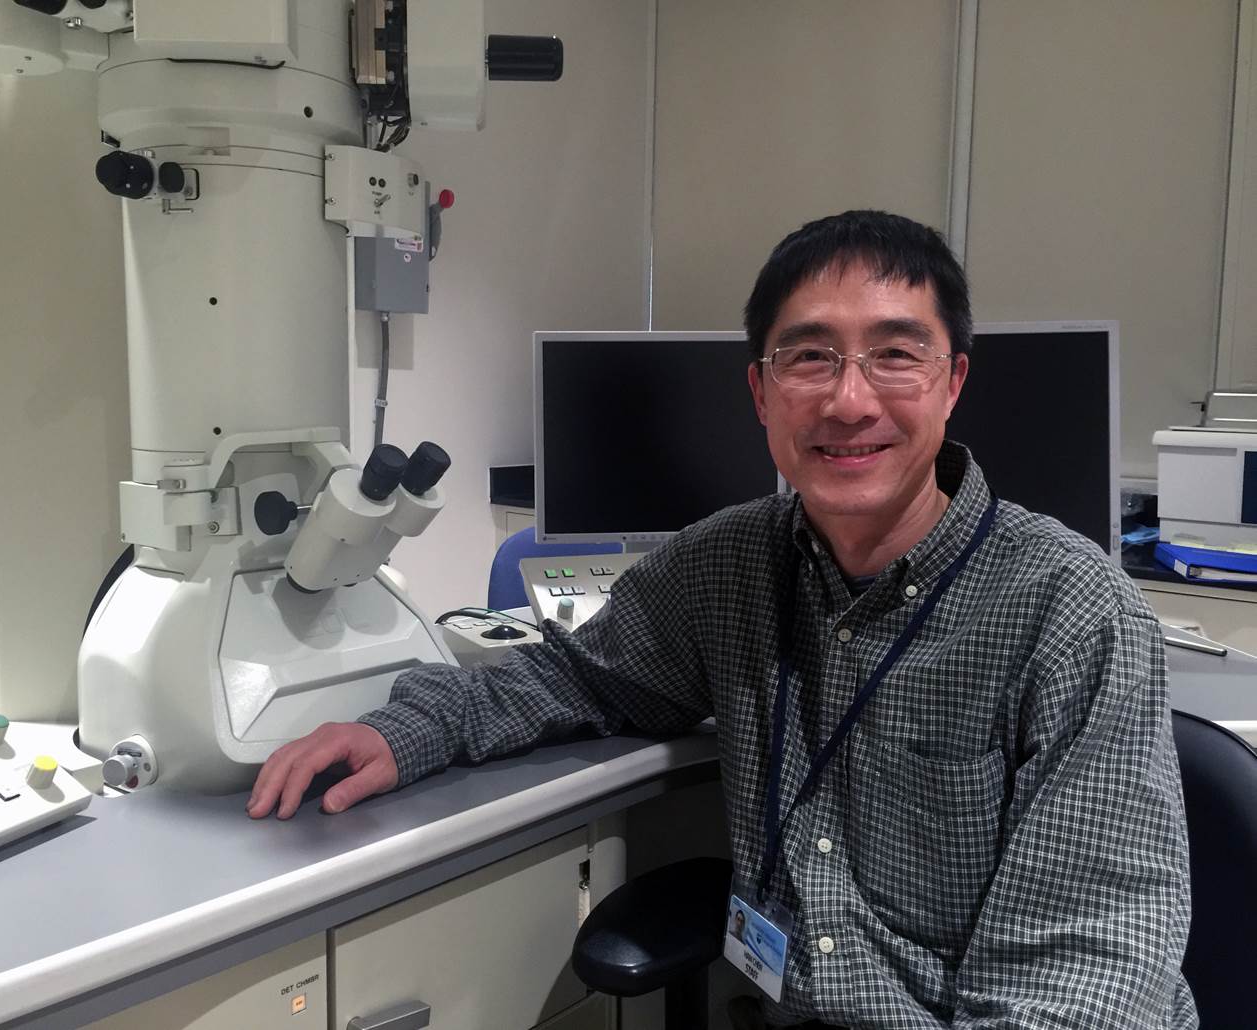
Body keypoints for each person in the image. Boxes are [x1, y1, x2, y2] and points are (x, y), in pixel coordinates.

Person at [248, 211, 1195, 1029]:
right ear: (760, 392)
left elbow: (1086, 980)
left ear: (952, 383)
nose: (848, 398)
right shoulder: (730, 562)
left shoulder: (1073, 614)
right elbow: (578, 673)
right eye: (809, 357)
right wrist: (404, 728)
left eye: (896, 354)